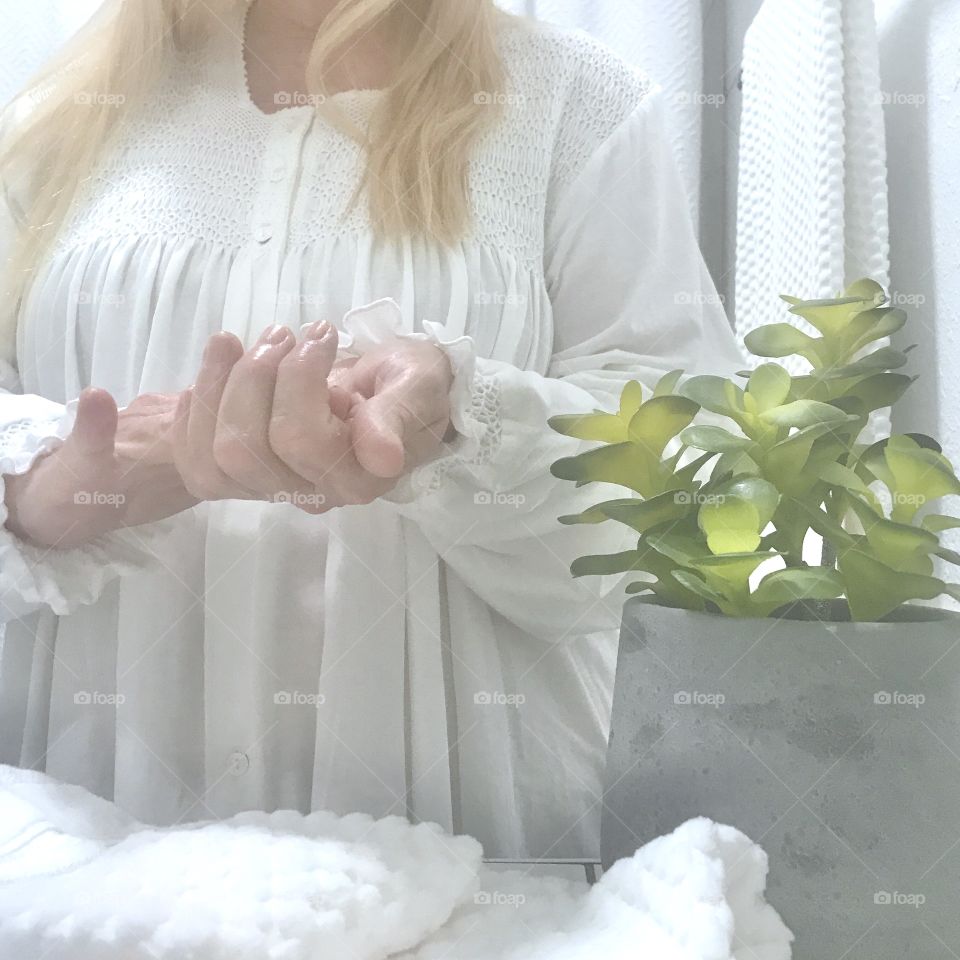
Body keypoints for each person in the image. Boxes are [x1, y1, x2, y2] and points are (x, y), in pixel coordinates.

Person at [0, 0, 745, 858]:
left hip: (475, 854)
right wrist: (47, 491)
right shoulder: (62, 115)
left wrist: (463, 423)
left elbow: (693, 477)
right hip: (85, 862)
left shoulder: (575, 104)